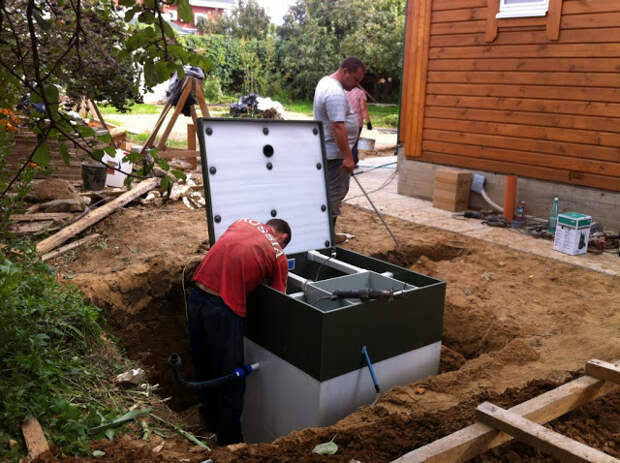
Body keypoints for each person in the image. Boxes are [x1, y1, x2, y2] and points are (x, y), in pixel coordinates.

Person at [188, 217, 291, 445]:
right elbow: (279, 302)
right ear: (282, 238)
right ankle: (231, 443)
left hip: (196, 294)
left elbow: (235, 254)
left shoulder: (243, 222)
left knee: (204, 363)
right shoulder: (278, 254)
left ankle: (208, 422)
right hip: (223, 307)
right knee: (230, 377)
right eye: (285, 245)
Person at [313, 56, 366, 243]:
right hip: (335, 155)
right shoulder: (335, 93)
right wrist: (348, 158)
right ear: (345, 72)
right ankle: (327, 237)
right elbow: (338, 126)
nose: (357, 85)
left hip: (330, 153)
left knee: (331, 194)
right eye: (356, 80)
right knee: (334, 195)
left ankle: (327, 234)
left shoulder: (325, 82)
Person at [345, 86, 372, 165]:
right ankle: (353, 161)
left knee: (345, 141)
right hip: (357, 122)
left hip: (345, 121)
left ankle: (345, 161)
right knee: (354, 143)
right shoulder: (360, 93)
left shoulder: (343, 91)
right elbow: (363, 108)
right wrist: (368, 122)